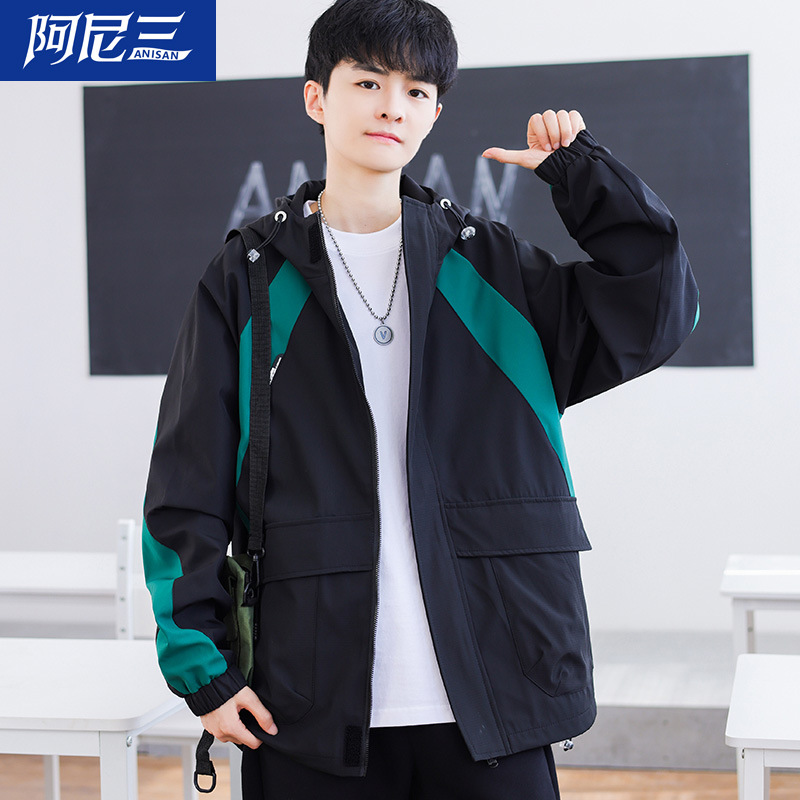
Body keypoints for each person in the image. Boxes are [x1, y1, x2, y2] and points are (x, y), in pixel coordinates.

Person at [143, 0, 699, 797]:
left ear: (435, 112)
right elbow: (185, 484)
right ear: (317, 98)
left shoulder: (490, 268)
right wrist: (204, 670)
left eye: (415, 90)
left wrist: (586, 178)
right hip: (306, 705)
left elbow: (657, 306)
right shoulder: (248, 280)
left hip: (497, 692)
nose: (391, 106)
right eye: (368, 81)